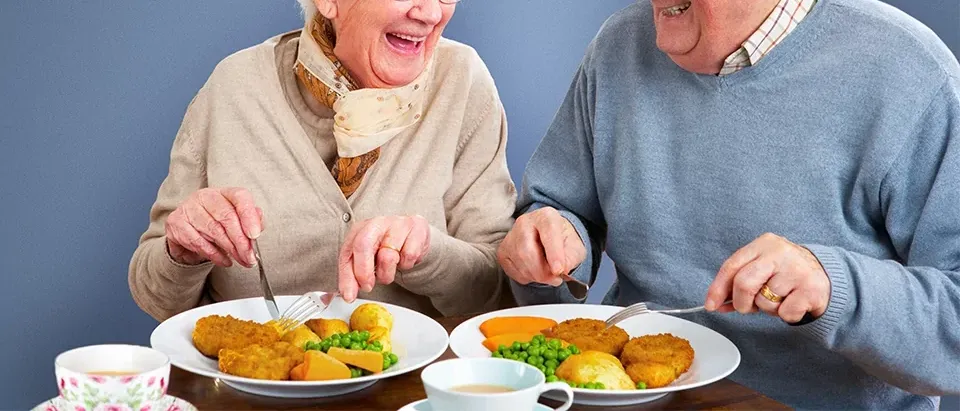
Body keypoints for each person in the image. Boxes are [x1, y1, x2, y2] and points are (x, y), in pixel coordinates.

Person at [497, 0, 960, 409]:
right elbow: (558, 209)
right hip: (633, 400)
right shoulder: (617, 46)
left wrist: (833, 288)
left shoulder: (911, 73)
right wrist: (549, 242)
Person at [129, 0, 517, 322]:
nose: (430, 12)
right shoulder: (233, 86)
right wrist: (182, 251)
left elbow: (499, 292)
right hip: (250, 388)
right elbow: (157, 297)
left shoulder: (463, 83)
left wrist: (428, 253)